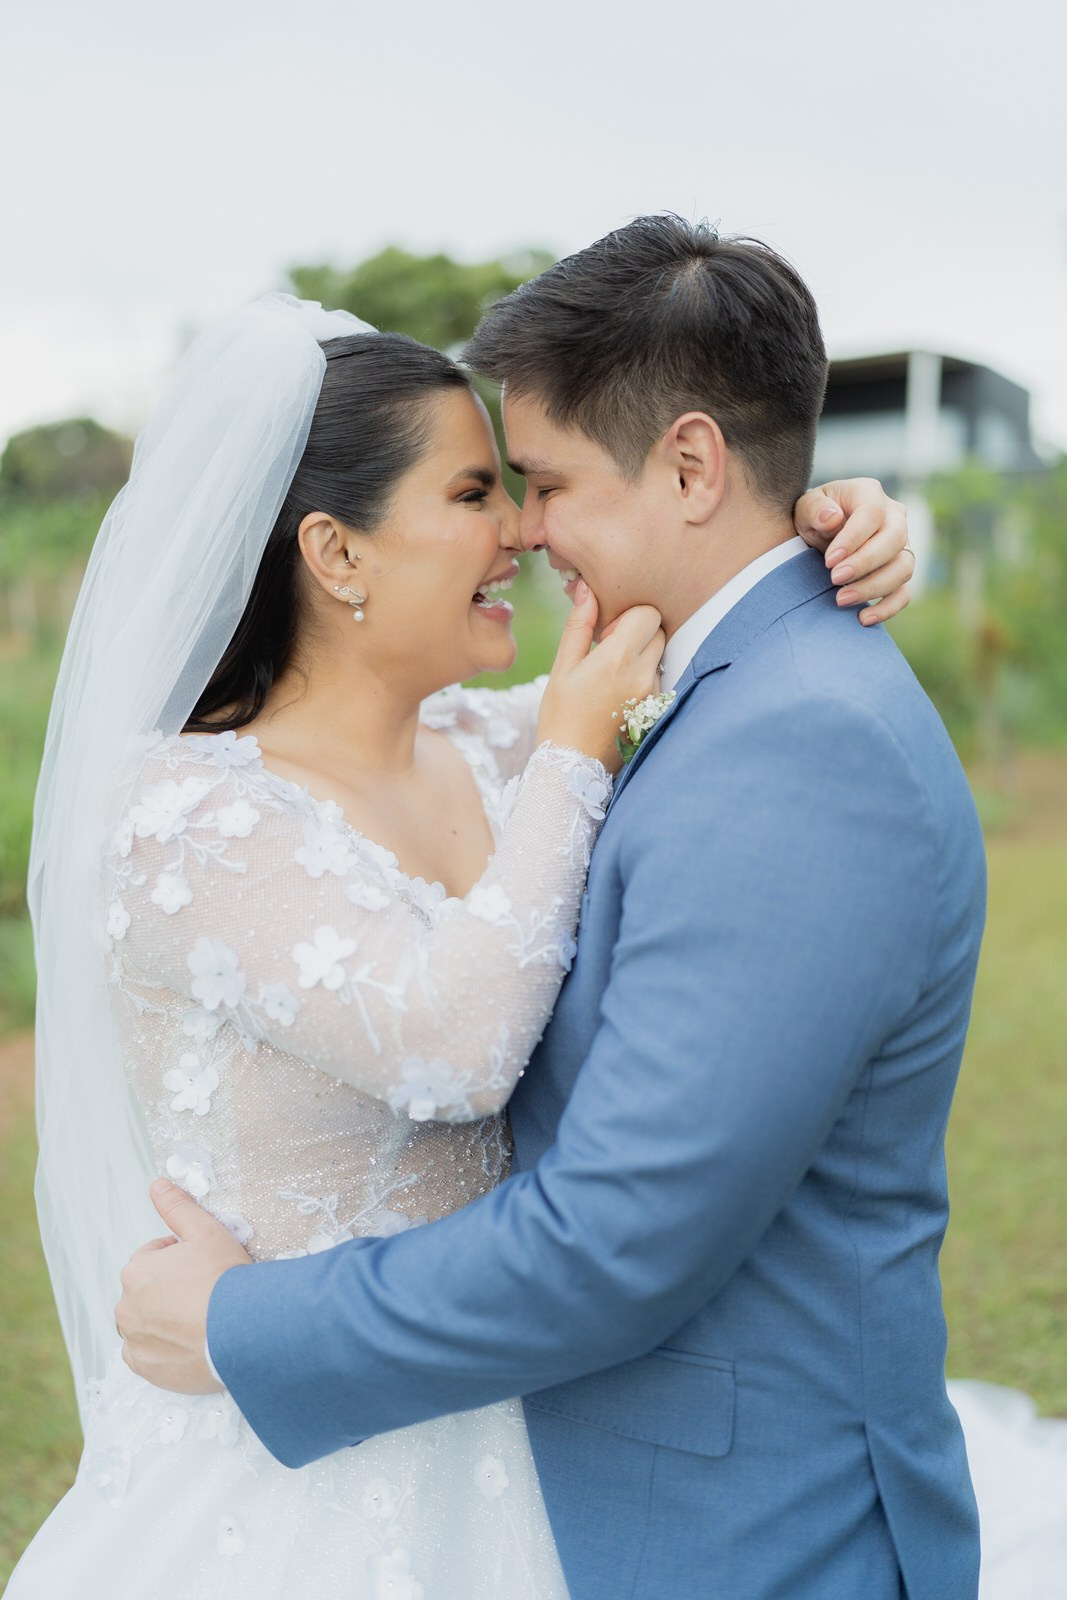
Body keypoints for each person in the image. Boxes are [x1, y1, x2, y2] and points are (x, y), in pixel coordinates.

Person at [105, 220, 995, 1600]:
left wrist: (239, 1323)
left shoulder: (781, 742)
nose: (523, 528)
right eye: (486, 492)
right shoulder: (661, 700)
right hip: (503, 1480)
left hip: (743, 1526)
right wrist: (819, 525)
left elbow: (614, 1237)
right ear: (331, 552)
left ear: (690, 465)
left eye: (541, 482)